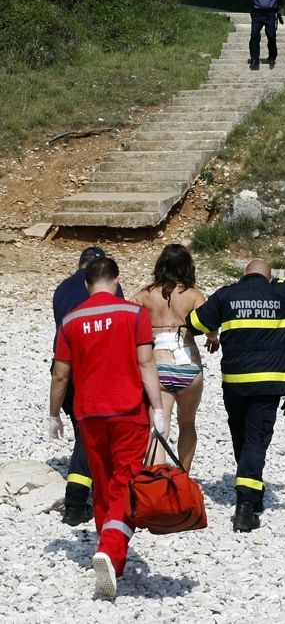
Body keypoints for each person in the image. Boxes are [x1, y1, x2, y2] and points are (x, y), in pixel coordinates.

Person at [49, 257, 164, 598]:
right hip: (128, 411)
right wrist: (158, 408)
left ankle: (110, 550)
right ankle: (111, 551)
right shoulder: (134, 313)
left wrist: (53, 414)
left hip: (88, 414)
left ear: (86, 284)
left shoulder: (71, 320)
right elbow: (146, 363)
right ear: (116, 280)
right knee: (125, 484)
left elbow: (60, 373)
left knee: (102, 485)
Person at [186, 258, 285, 532]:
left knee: (241, 435)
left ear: (244, 275)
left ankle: (251, 489)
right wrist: (276, 282)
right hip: (269, 383)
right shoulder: (281, 293)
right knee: (257, 439)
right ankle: (246, 505)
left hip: (235, 382)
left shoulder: (228, 294)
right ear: (268, 277)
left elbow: (194, 322)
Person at [52, 246, 124, 527]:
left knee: (84, 432)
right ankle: (76, 502)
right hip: (94, 370)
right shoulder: (109, 287)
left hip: (64, 365)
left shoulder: (61, 289)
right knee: (88, 436)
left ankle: (82, 493)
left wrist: (53, 411)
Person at [132, 244, 219, 473]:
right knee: (187, 423)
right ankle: (183, 476)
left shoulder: (145, 294)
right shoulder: (192, 295)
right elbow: (209, 322)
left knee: (159, 426)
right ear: (187, 266)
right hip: (188, 365)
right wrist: (213, 338)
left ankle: (157, 482)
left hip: (158, 366)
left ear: (160, 265)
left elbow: (126, 315)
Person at [240, 0, 285, 69]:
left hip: (270, 14)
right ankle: (254, 59)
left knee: (271, 36)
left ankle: (272, 56)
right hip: (257, 14)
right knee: (254, 36)